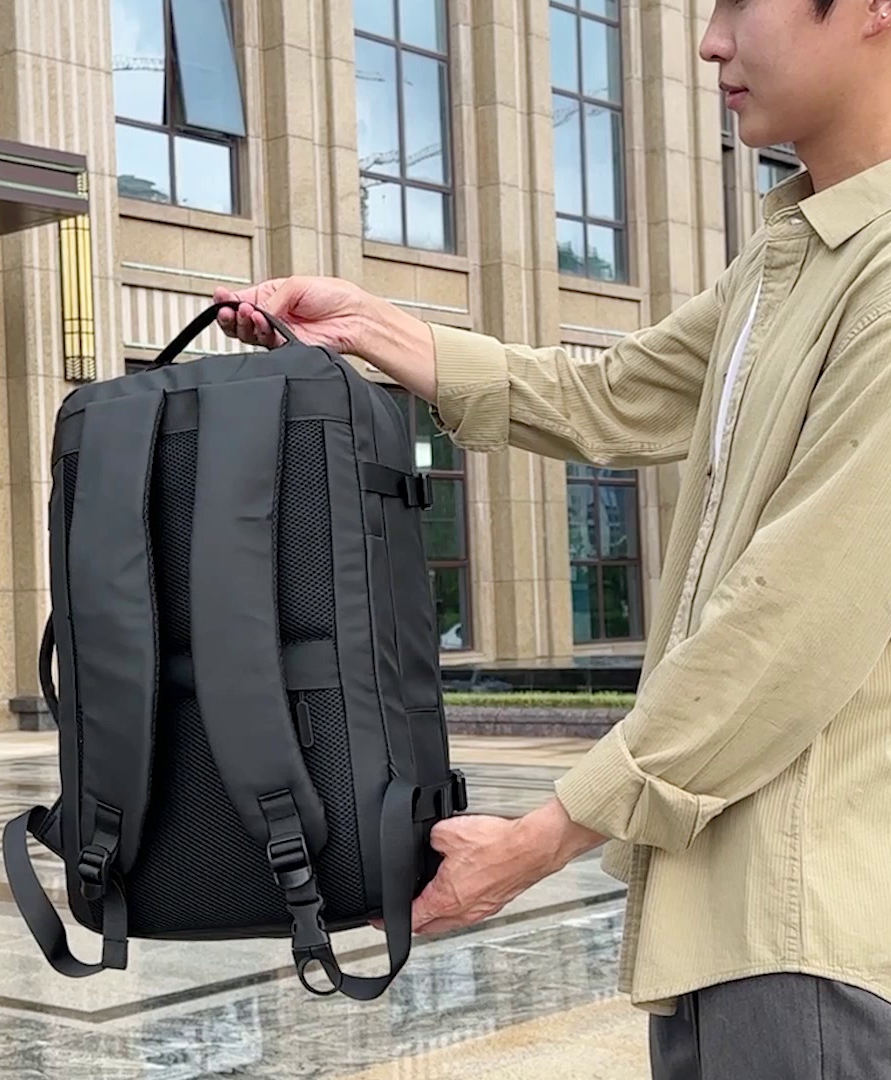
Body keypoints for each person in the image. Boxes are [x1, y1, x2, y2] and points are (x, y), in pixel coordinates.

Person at [215, 0, 891, 1070]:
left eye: (738, 2)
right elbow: (612, 394)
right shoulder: (794, 255)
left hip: (811, 926)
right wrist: (369, 326)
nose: (710, 41)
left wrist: (540, 841)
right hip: (723, 922)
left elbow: (790, 624)